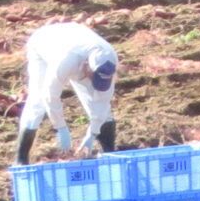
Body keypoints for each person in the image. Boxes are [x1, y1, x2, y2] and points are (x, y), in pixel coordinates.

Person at [15, 22, 121, 163]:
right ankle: (21, 160)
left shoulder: (109, 62)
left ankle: (110, 155)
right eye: (92, 76)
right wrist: (61, 128)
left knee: (99, 107)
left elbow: (102, 102)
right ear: (87, 66)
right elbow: (50, 96)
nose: (92, 81)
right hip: (45, 43)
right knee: (38, 102)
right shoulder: (65, 61)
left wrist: (92, 133)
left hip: (77, 39)